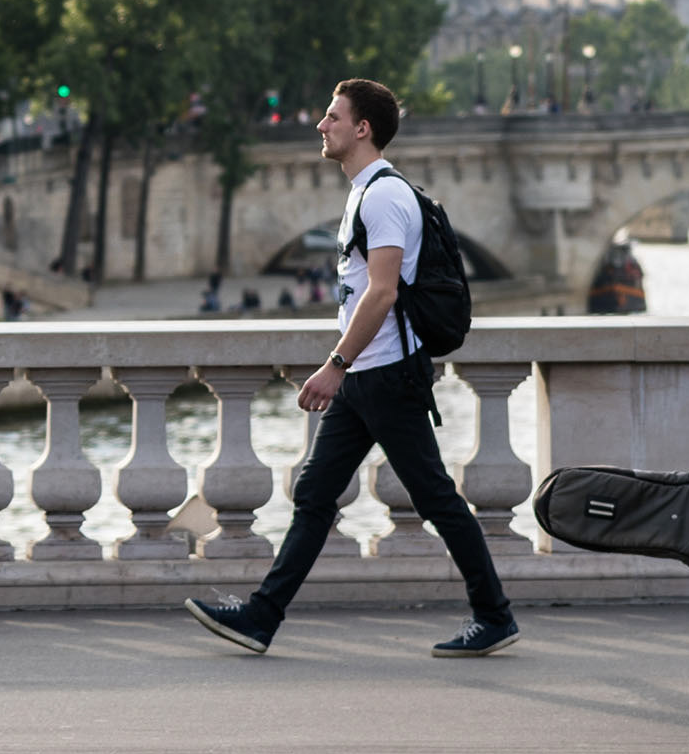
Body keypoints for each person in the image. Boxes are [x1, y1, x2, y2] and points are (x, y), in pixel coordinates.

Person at [187, 78, 520, 660]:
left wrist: (335, 365)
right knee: (316, 492)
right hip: (367, 374)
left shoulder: (384, 197)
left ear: (362, 129)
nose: (321, 125)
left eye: (332, 117)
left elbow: (382, 292)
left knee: (435, 498)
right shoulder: (364, 192)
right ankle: (262, 617)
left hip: (386, 373)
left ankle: (493, 615)